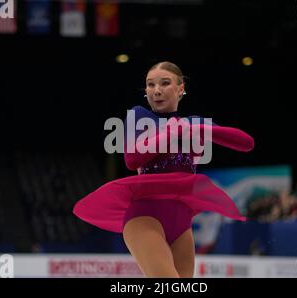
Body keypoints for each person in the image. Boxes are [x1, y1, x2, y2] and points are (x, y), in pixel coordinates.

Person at [73, 61, 255, 277]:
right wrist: (174, 131)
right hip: (144, 217)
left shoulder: (193, 123)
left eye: (164, 83)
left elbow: (246, 143)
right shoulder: (140, 116)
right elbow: (132, 159)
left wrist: (198, 127)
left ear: (180, 88)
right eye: (150, 85)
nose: (156, 90)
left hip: (181, 223)